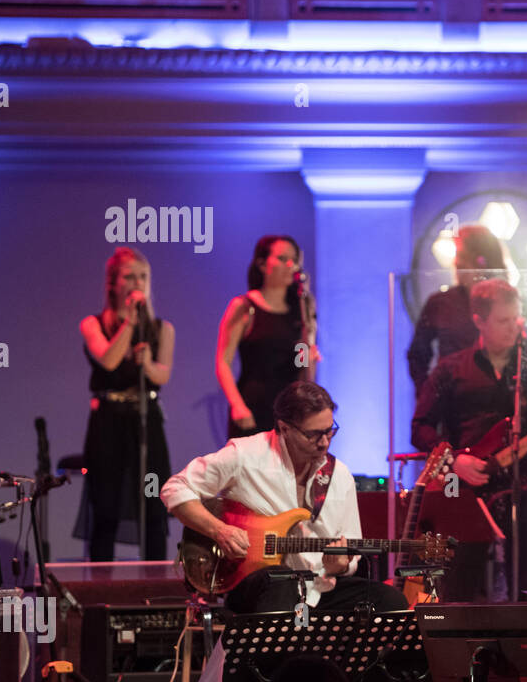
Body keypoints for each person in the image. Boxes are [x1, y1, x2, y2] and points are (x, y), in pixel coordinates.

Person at [411, 278, 527, 601]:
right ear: (479, 322)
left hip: (520, 489)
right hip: (465, 491)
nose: (512, 327)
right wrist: (455, 458)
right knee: (461, 584)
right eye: (502, 320)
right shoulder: (450, 370)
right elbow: (420, 428)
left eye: (515, 319)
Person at [161, 381, 404, 614]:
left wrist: (341, 566)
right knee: (283, 581)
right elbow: (175, 489)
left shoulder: (339, 476)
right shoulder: (245, 455)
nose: (325, 442)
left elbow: (350, 547)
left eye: (330, 431)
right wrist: (219, 530)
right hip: (255, 584)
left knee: (390, 601)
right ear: (284, 428)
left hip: (318, 587)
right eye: (313, 434)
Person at [76, 248, 174, 561]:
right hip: (108, 421)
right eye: (129, 276)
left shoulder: (162, 329)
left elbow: (163, 374)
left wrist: (146, 364)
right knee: (106, 506)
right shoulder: (93, 324)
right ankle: (101, 589)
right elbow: (108, 359)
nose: (137, 283)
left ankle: (156, 586)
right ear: (113, 283)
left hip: (146, 419)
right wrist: (129, 323)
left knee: (153, 504)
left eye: (143, 277)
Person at [407, 224, 527, 394]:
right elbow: (417, 356)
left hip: (503, 402)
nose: (457, 263)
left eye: (464, 257)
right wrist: (430, 398)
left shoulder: (517, 303)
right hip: (455, 407)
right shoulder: (440, 302)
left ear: (483, 261)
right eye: (458, 259)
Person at [217, 235, 317, 439]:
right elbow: (223, 362)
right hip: (253, 406)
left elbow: (302, 365)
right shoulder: (245, 306)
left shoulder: (300, 309)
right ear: (262, 264)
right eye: (282, 259)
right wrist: (237, 405)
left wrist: (309, 357)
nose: (290, 265)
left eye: (294, 260)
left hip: (290, 410)